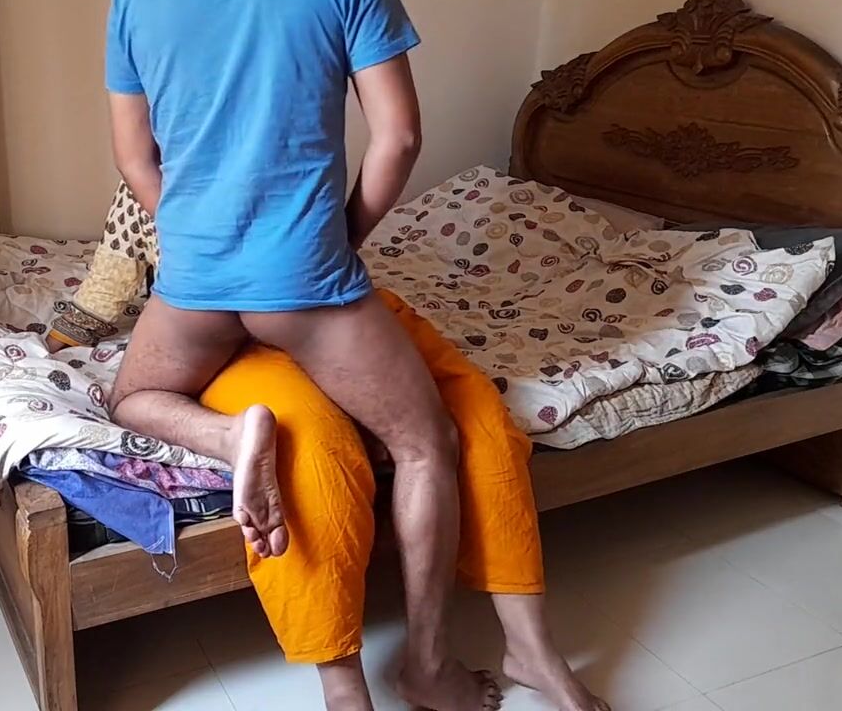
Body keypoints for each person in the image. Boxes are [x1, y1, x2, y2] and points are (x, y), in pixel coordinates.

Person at [49, 182, 609, 711]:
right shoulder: (171, 161)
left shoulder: (296, 135)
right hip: (226, 337)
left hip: (335, 309)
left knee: (478, 416)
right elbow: (117, 268)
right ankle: (344, 688)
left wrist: (336, 253)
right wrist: (67, 330)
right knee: (312, 451)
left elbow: (370, 183)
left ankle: (529, 648)